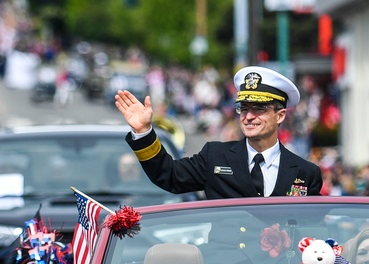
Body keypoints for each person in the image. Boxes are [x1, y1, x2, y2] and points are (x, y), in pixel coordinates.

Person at [115, 65, 322, 199]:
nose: (248, 116)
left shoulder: (305, 172)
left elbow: (313, 234)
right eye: (243, 108)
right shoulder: (215, 156)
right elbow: (169, 175)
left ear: (280, 115)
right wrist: (143, 131)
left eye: (258, 109)